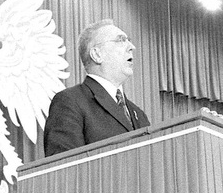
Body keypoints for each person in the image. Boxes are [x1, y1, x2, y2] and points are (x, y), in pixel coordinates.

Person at [43, 19, 150, 155]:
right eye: (121, 40)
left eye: (128, 40)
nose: (131, 47)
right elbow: (64, 169)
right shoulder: (70, 102)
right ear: (97, 55)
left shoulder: (139, 115)